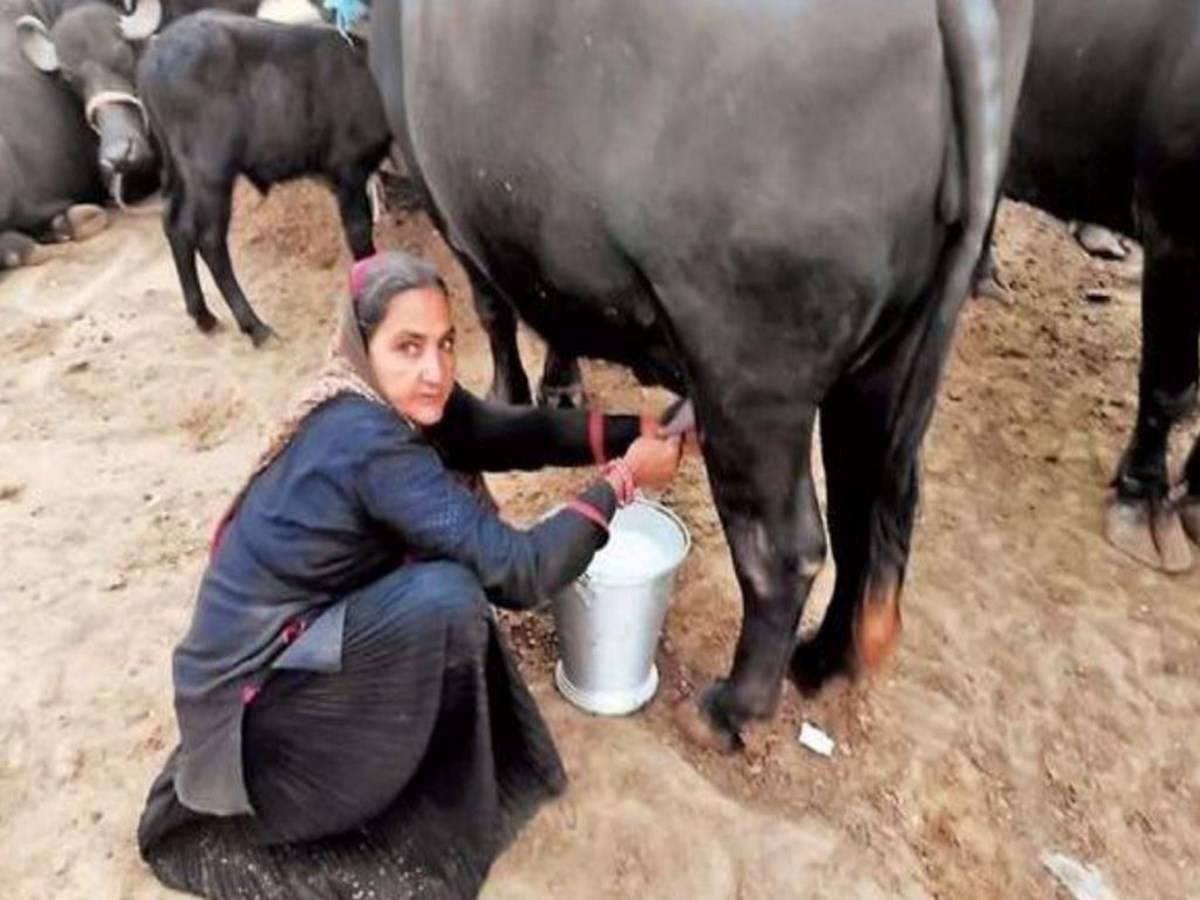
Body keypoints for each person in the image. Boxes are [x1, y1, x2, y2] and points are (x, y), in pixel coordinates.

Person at [136, 251, 684, 899]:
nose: (435, 371)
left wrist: (632, 431)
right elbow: (522, 571)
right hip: (253, 730)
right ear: (364, 344)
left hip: (286, 657)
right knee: (449, 596)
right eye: (409, 346)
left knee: (445, 587)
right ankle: (348, 787)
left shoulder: (374, 399)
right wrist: (622, 482)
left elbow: (510, 433)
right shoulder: (369, 443)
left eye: (447, 344)